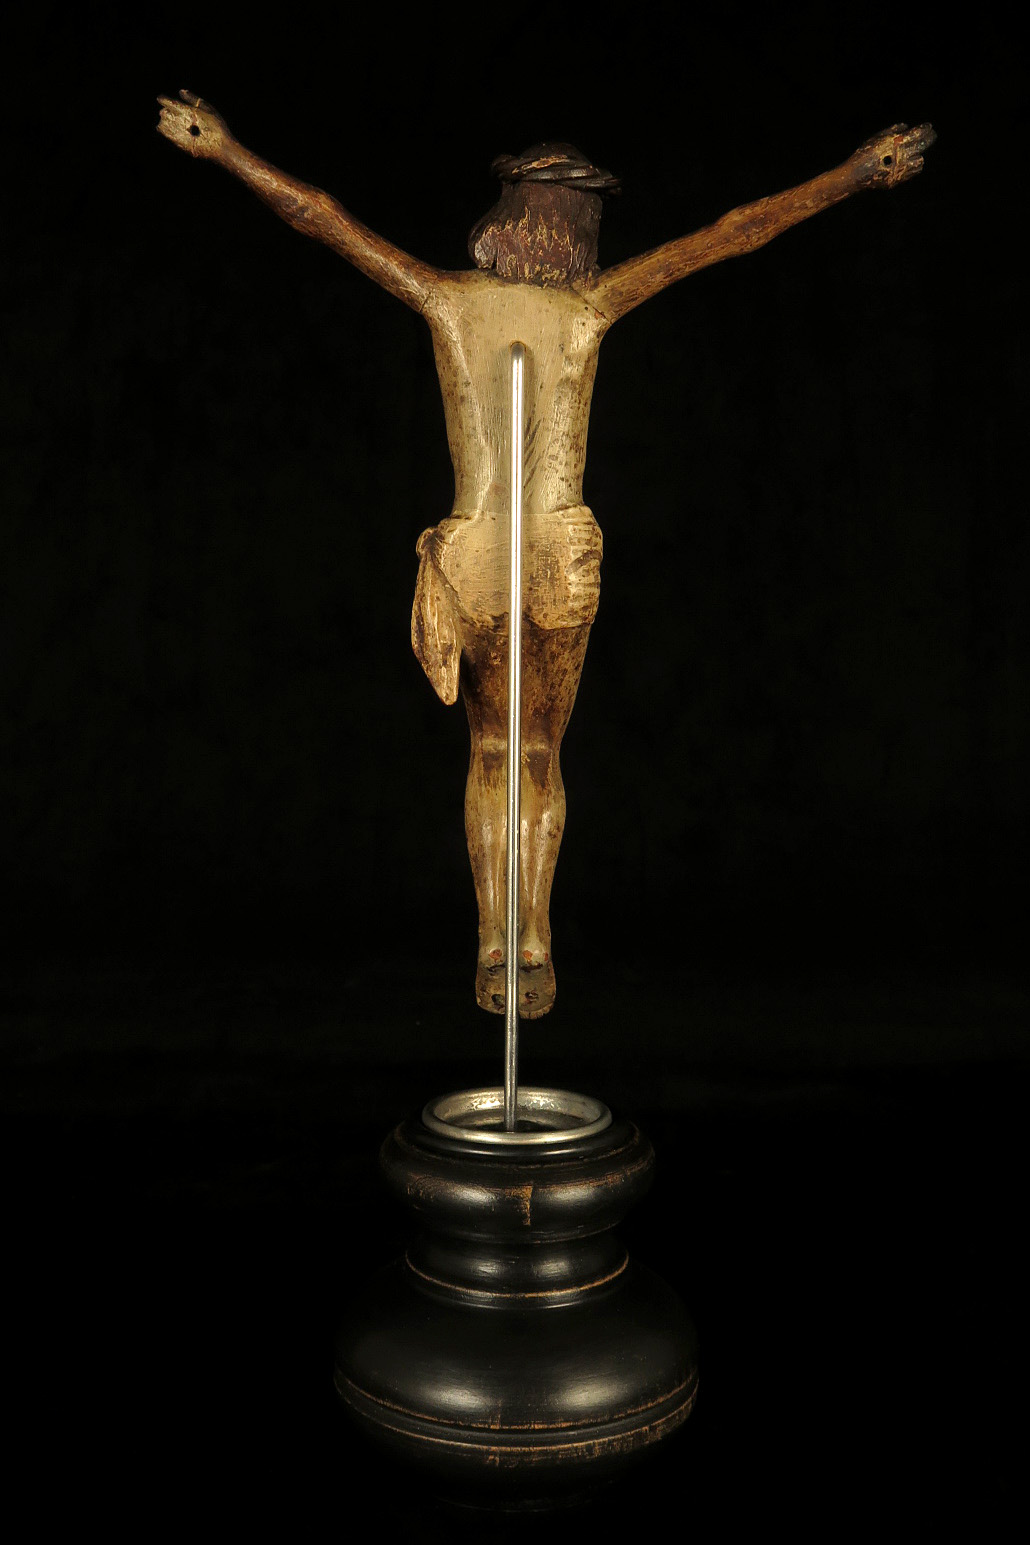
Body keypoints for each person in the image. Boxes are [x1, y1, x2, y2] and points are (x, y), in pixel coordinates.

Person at [157, 93, 934, 1017]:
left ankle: (502, 939)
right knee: (536, 751)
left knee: (494, 748)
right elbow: (731, 234)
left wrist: (226, 151)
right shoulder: (589, 305)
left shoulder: (451, 298)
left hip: (482, 556)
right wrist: (853, 176)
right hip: (554, 555)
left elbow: (324, 218)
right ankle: (526, 940)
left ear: (506, 216)